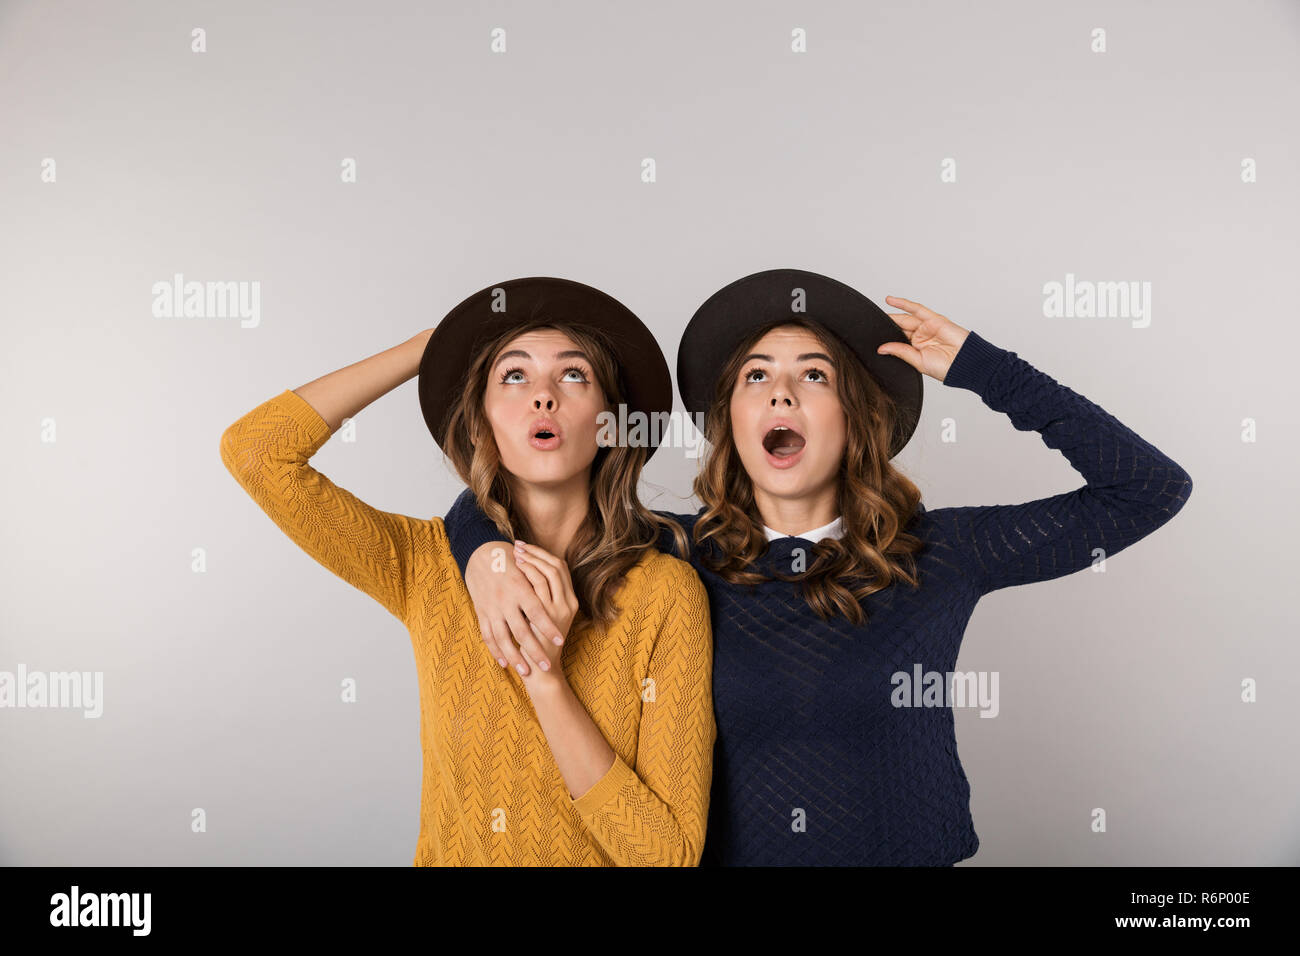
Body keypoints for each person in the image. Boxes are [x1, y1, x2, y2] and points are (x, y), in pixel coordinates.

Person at [441, 268, 1194, 866]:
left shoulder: (939, 554)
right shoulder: (670, 554)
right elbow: (523, 494)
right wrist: (483, 553)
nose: (782, 391)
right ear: (731, 422)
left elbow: (1148, 489)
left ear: (853, 418)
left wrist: (984, 369)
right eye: (757, 377)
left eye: (814, 376)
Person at [219, 276, 715, 866]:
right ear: (480, 416)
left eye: (574, 375)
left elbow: (667, 857)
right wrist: (424, 349)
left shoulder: (665, 592)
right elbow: (256, 451)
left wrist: (544, 676)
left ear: (611, 422)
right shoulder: (423, 565)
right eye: (513, 375)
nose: (543, 395)